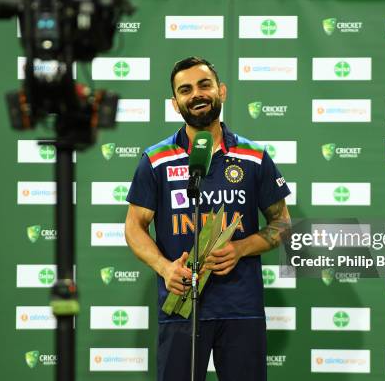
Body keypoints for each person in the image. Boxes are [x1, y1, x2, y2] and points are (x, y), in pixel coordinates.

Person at [124, 56, 292, 381]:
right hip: (181, 306)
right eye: (185, 90)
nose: (196, 94)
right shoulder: (156, 160)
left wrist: (241, 249)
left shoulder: (253, 156)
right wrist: (164, 267)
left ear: (222, 91)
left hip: (241, 308)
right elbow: (134, 226)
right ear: (175, 104)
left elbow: (282, 223)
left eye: (204, 85)